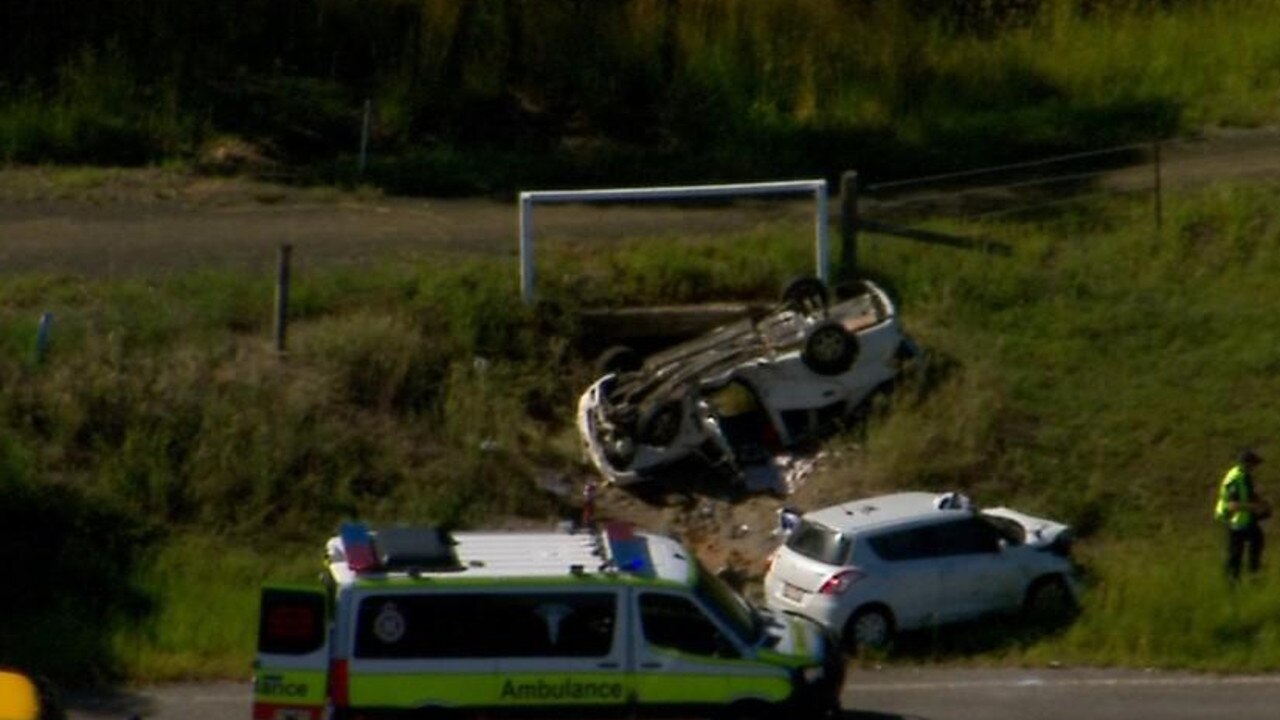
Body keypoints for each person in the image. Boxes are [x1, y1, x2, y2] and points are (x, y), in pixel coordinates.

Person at [1215, 449, 1268, 580]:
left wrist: (1261, 501)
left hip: (1244, 519)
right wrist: (1253, 507)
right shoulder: (1236, 477)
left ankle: (1253, 573)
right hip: (1234, 521)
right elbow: (1232, 505)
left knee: (1257, 540)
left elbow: (1248, 494)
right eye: (1254, 464)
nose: (1255, 468)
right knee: (1235, 554)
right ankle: (1232, 583)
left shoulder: (1244, 475)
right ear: (1247, 463)